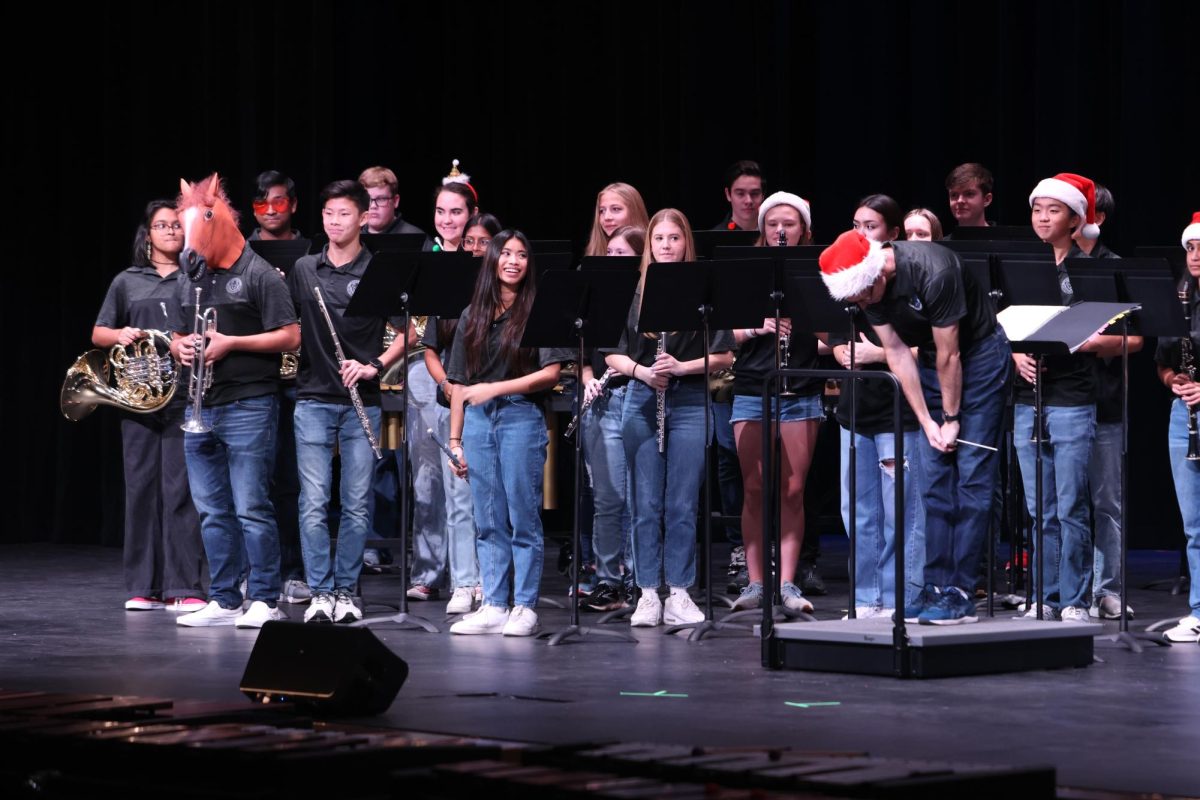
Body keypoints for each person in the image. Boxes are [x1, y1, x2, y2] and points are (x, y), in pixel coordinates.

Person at [819, 228, 1011, 625]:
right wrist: (926, 422)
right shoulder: (865, 289)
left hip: (979, 359)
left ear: (878, 275)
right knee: (934, 482)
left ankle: (959, 591)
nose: (861, 305)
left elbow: (950, 354)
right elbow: (896, 352)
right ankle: (935, 586)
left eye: (863, 297)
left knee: (971, 480)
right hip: (932, 367)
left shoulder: (933, 270)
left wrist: (952, 420)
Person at [169, 173, 301, 628]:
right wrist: (179, 346)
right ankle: (225, 599)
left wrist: (231, 343)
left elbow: (291, 336)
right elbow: (180, 331)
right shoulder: (194, 278)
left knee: (252, 507)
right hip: (201, 405)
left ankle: (265, 596)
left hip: (249, 404)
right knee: (211, 511)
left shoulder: (260, 274)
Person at [605, 209, 735, 628]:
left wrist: (681, 368)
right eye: (658, 238)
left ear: (685, 244)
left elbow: (725, 355)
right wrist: (643, 372)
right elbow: (612, 352)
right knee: (645, 504)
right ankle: (647, 592)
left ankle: (678, 591)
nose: (665, 245)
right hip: (642, 398)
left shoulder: (705, 290)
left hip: (691, 399)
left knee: (681, 503)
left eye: (673, 238)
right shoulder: (631, 291)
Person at [287, 180, 408, 624]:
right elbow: (288, 324)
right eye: (328, 214)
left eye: (343, 214)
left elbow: (411, 330)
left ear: (363, 218)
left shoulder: (379, 269)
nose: (334, 222)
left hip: (364, 399)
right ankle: (320, 593)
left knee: (358, 502)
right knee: (314, 502)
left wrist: (374, 364)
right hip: (314, 400)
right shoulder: (304, 269)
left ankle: (345, 591)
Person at [445, 231, 571, 636]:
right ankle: (495, 603)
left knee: (522, 517)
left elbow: (551, 375)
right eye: (506, 254)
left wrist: (495, 389)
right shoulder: (472, 314)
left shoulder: (540, 309)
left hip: (520, 417)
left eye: (521, 254)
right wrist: (454, 442)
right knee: (487, 518)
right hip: (478, 421)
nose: (513, 261)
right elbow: (459, 385)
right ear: (493, 261)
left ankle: (525, 605)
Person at [91, 200, 205, 613]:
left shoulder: (196, 279)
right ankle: (143, 586)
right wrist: (120, 333)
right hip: (138, 400)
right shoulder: (126, 280)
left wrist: (183, 343)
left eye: (176, 225)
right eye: (162, 225)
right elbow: (99, 332)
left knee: (181, 493)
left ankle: (185, 586)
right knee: (140, 492)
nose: (171, 231)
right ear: (148, 234)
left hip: (183, 399)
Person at [1016, 173, 1120, 622]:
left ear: (1076, 219)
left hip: (1074, 397)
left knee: (1073, 505)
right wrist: (1014, 354)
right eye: (1037, 209)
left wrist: (1085, 340)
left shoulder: (1094, 269)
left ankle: (1076, 599)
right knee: (1041, 509)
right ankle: (1045, 594)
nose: (1042, 218)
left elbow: (1123, 337)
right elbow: (998, 324)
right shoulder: (1022, 266)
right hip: (1027, 398)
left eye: (1053, 210)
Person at [824, 195, 925, 618]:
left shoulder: (908, 283)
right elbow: (832, 343)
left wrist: (877, 356)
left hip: (898, 410)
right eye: (856, 223)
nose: (861, 233)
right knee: (859, 511)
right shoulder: (844, 276)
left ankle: (902, 597)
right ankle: (867, 598)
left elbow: (930, 350)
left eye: (871, 225)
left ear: (892, 234)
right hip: (855, 410)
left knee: (902, 512)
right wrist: (844, 353)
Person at [727, 192, 821, 614]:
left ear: (804, 230)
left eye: (790, 224)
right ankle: (756, 583)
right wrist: (754, 328)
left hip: (800, 386)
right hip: (752, 386)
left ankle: (786, 583)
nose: (781, 230)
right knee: (754, 488)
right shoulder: (745, 272)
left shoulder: (818, 272)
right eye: (773, 224)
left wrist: (802, 328)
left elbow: (831, 337)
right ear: (763, 230)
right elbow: (721, 334)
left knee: (793, 490)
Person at [404, 175, 482, 600]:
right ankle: (429, 571)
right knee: (428, 478)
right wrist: (442, 381)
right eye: (440, 211)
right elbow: (418, 329)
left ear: (471, 215)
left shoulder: (484, 259)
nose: (447, 219)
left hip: (477, 376)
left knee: (468, 478)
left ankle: (470, 576)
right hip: (428, 371)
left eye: (456, 211)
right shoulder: (425, 259)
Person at [423, 212, 501, 615]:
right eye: (468, 241)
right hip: (451, 403)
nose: (473, 248)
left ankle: (493, 582)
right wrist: (448, 386)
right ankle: (464, 582)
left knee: (490, 499)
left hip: (491, 408)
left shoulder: (507, 292)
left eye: (482, 241)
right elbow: (430, 348)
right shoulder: (448, 288)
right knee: (456, 501)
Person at [1070, 184, 1141, 619]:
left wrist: (1097, 343)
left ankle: (1107, 588)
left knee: (1106, 500)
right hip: (1057, 398)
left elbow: (1135, 339)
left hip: (1104, 399)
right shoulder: (1046, 266)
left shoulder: (1114, 268)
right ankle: (1066, 591)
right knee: (1063, 503)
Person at [247, 169, 310, 606]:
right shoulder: (240, 253)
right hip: (251, 379)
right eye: (261, 204)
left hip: (298, 379)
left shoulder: (310, 256)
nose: (271, 210)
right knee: (252, 486)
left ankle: (293, 570)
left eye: (279, 201)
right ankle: (256, 575)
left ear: (293, 204)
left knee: (292, 482)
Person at [578, 225, 646, 613]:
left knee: (639, 497)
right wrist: (587, 379)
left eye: (625, 254)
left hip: (636, 395)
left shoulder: (649, 297)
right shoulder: (598, 295)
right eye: (612, 253)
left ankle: (640, 578)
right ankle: (608, 580)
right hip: (602, 398)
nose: (616, 260)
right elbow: (584, 350)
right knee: (607, 498)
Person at [1154, 211, 1200, 643]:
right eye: (1190, 246)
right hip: (1183, 414)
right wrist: (1175, 381)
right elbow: (1163, 364)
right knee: (1194, 523)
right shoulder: (1180, 298)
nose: (1196, 255)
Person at [358, 165, 429, 238]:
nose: (373, 206)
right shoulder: (352, 238)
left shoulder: (417, 239)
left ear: (395, 201)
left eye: (381, 199)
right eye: (367, 199)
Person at [584, 182, 651, 258]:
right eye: (602, 211)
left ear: (635, 211)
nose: (607, 217)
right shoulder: (588, 263)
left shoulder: (655, 255)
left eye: (616, 209)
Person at [248, 170, 302, 241]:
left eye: (278, 203)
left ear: (293, 205)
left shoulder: (313, 251)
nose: (270, 212)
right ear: (254, 209)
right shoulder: (238, 251)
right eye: (261, 204)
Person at [714, 160, 765, 232]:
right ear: (728, 194)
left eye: (755, 194)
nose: (748, 201)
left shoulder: (775, 235)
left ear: (763, 195)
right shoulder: (714, 239)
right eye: (740, 193)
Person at [945, 163, 994, 230]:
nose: (960, 201)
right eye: (954, 195)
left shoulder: (1004, 240)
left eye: (969, 194)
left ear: (987, 200)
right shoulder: (940, 240)